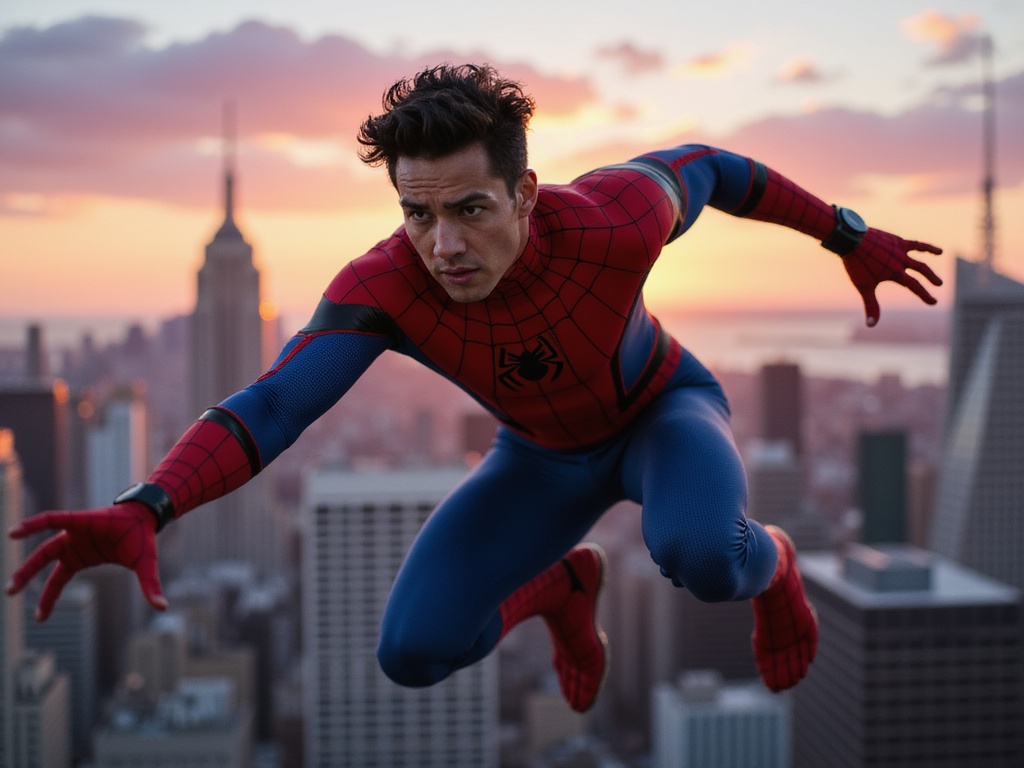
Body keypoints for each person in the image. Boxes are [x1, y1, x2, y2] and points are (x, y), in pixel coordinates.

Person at [5, 63, 942, 713]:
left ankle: (771, 562)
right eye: (417, 213)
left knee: (702, 552)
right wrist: (148, 505)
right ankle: (561, 589)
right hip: (539, 460)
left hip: (662, 413)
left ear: (525, 193)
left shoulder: (614, 216)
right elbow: (278, 403)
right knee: (411, 653)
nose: (443, 245)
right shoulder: (383, 285)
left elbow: (716, 169)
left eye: (470, 209)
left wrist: (846, 234)